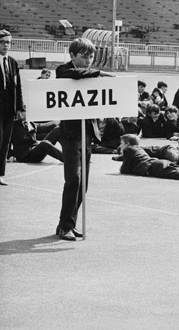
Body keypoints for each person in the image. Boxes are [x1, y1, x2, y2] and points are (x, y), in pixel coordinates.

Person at [55, 38, 115, 241]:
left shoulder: (90, 73)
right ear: (72, 56)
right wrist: (100, 73)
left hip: (87, 134)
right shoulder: (63, 69)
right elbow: (69, 74)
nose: (89, 61)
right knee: (73, 180)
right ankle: (65, 227)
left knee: (83, 184)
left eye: (91, 57)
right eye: (84, 56)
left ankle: (68, 223)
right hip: (70, 134)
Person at [0, 30, 25, 186]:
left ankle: (0, 173)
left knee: (5, 143)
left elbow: (18, 87)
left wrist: (19, 108)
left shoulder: (13, 62)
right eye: (2, 42)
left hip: (9, 109)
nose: (6, 45)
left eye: (8, 42)